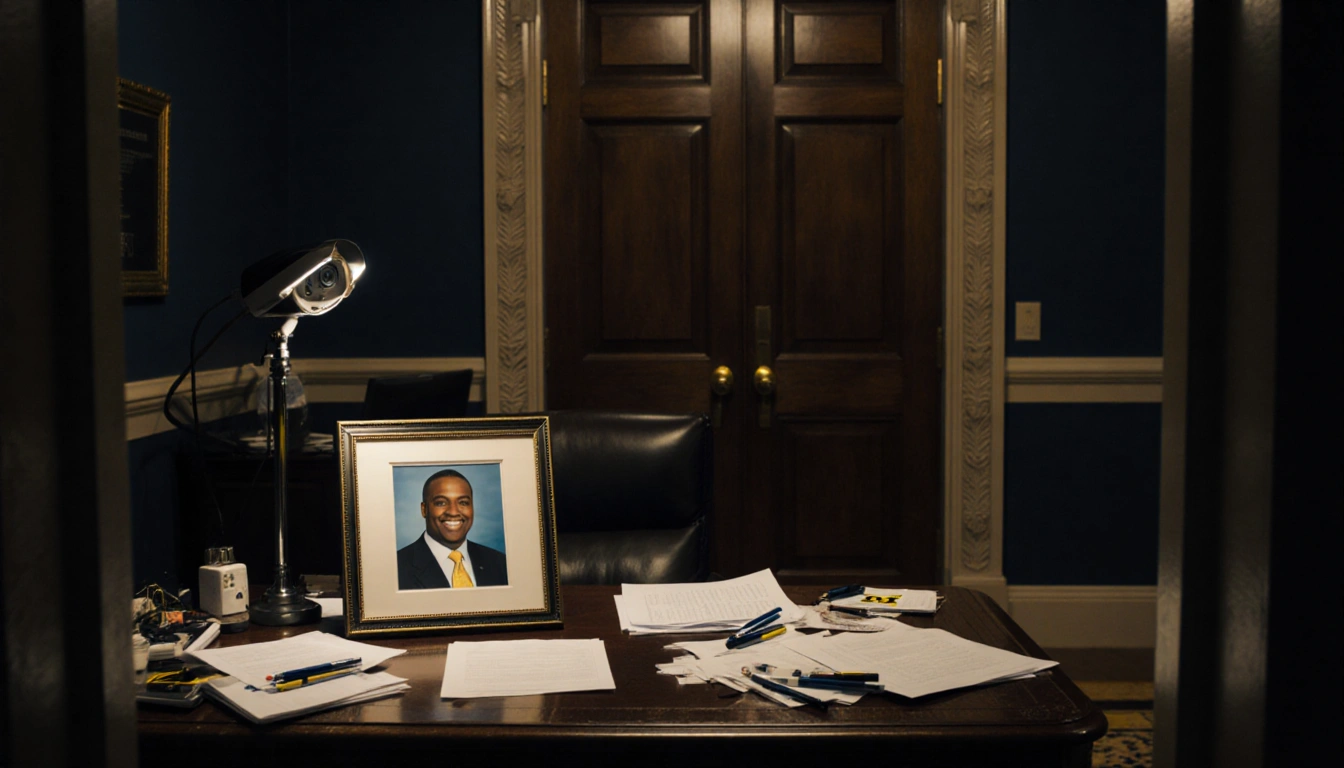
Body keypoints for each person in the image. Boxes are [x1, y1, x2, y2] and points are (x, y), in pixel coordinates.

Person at [396, 469, 508, 589]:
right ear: (424, 509)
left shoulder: (500, 563)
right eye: (441, 503)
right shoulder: (397, 568)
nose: (453, 512)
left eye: (463, 503)